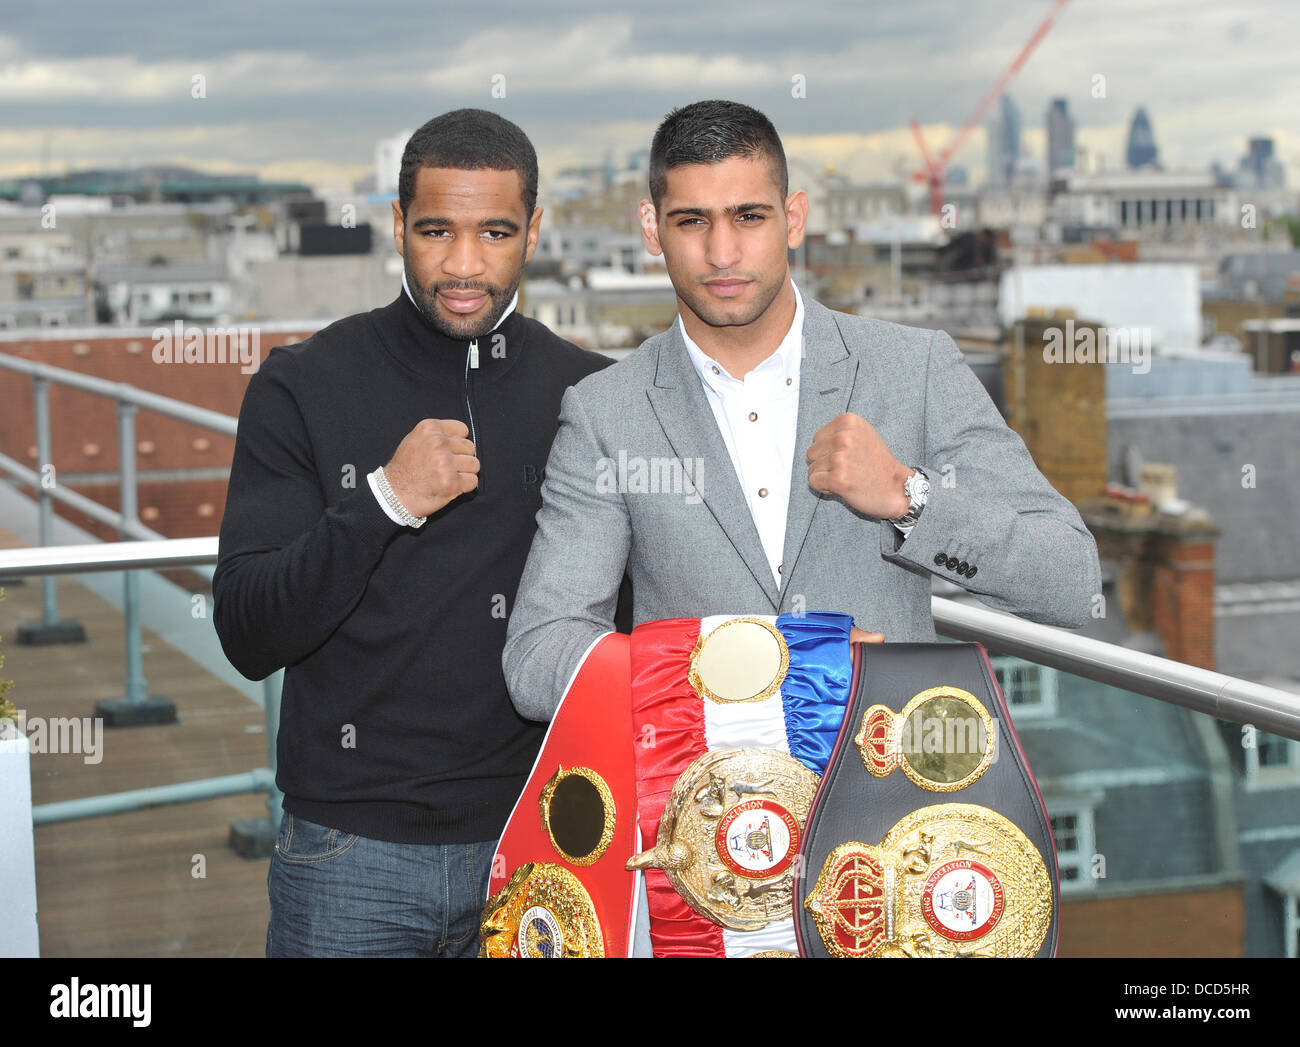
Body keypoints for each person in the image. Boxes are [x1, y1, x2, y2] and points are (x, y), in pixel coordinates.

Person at [501, 100, 1102, 951]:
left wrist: (912, 496)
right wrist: (737, 669)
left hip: (901, 866)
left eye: (748, 216)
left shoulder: (915, 369)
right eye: (691, 221)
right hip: (705, 885)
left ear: (795, 216)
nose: (720, 252)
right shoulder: (606, 413)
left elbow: (1073, 579)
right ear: (650, 228)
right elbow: (536, 655)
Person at [213, 108, 617, 957]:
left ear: (534, 231)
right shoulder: (301, 383)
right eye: (436, 229)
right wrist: (385, 501)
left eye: (495, 232)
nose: (464, 264)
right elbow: (249, 631)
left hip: (543, 840)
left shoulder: (592, 394)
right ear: (397, 225)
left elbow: (649, 620)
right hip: (350, 854)